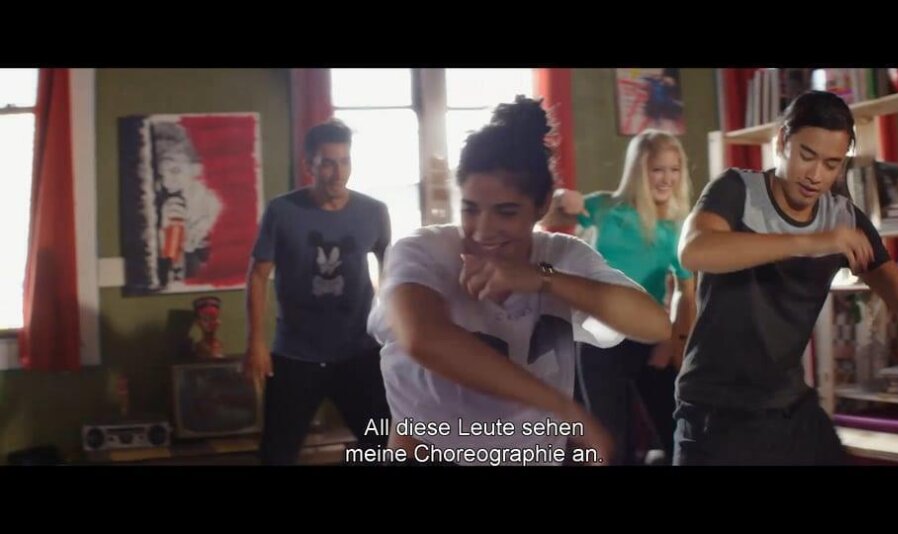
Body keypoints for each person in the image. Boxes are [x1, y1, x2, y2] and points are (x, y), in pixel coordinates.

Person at [367, 96, 672, 466]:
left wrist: (542, 278)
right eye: (470, 209)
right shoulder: (421, 250)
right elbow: (424, 338)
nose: (483, 230)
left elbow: (654, 324)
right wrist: (565, 410)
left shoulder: (561, 255)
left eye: (506, 212)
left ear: (541, 205)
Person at [674, 90, 898, 465]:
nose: (816, 176)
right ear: (782, 142)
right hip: (715, 409)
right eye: (807, 156)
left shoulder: (843, 217)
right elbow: (695, 250)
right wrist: (811, 241)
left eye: (832, 164)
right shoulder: (736, 190)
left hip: (789, 406)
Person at [243, 118, 392, 465]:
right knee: (277, 456)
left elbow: (392, 273)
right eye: (327, 163)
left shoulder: (374, 212)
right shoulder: (282, 212)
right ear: (309, 164)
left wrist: (392, 333)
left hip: (359, 351)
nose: (338, 173)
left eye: (344, 162)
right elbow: (258, 275)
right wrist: (256, 343)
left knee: (385, 446)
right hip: (295, 354)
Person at [543, 129, 695, 464]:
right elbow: (546, 217)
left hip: (648, 337)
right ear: (639, 171)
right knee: (610, 439)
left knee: (679, 432)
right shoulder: (604, 207)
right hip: (596, 337)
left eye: (674, 169)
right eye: (658, 169)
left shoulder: (675, 227)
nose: (667, 178)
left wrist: (672, 342)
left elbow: (687, 293)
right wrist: (561, 197)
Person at [151, 121, 221, 286]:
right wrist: (163, 230)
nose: (167, 182)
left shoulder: (209, 204)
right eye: (160, 176)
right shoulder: (158, 200)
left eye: (175, 170)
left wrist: (191, 236)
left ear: (196, 169)